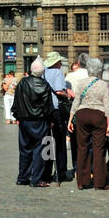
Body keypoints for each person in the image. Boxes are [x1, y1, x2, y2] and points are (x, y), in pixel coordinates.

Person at [68, 56, 109, 190]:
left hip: (82, 115)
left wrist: (71, 119)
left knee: (82, 147)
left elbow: (76, 102)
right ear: (99, 71)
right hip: (98, 116)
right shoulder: (103, 84)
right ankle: (100, 182)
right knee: (99, 149)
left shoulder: (81, 83)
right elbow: (107, 106)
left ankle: (82, 181)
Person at [11, 58, 54, 187]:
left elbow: (16, 101)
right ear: (42, 72)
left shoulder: (23, 83)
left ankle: (23, 177)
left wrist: (16, 115)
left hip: (25, 120)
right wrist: (50, 119)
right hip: (39, 120)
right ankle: (36, 179)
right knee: (39, 149)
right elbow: (48, 106)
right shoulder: (44, 85)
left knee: (25, 149)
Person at [42, 52, 72, 183]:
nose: (61, 64)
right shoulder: (57, 73)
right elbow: (59, 91)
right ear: (56, 63)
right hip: (55, 110)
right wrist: (69, 95)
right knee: (59, 142)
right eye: (60, 62)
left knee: (47, 141)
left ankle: (46, 172)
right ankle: (61, 171)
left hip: (44, 110)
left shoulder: (42, 73)